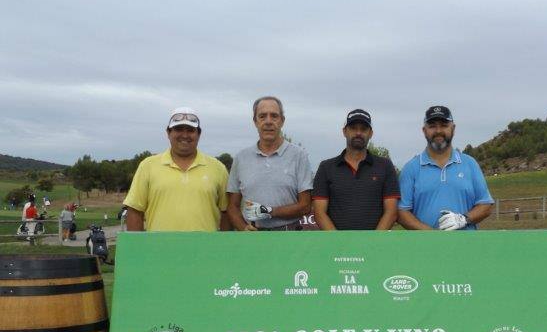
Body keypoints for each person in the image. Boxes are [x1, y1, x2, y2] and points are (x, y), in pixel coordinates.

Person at [123, 107, 229, 231]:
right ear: (168, 133)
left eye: (190, 130)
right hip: (160, 248)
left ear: (199, 134)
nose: (184, 135)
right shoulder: (147, 166)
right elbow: (135, 210)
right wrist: (138, 247)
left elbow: (226, 212)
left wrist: (223, 247)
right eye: (178, 129)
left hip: (206, 249)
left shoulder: (218, 168)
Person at [398, 105, 494, 230]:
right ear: (424, 130)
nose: (438, 131)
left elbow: (486, 205)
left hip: (467, 246)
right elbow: (401, 212)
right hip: (424, 247)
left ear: (453, 129)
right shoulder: (411, 168)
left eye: (444, 125)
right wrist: (431, 235)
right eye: (432, 126)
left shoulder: (470, 164)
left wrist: (463, 219)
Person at [226, 96, 314, 232]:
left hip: (289, 235)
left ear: (282, 121)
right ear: (255, 121)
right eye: (262, 116)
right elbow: (232, 206)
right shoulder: (241, 158)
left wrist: (268, 211)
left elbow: (306, 205)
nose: (268, 121)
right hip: (252, 237)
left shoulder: (299, 156)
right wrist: (243, 228)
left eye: (274, 116)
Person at [312, 109, 399, 230]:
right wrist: (339, 243)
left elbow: (391, 212)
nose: (358, 133)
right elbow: (319, 213)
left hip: (376, 245)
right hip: (336, 245)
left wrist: (373, 242)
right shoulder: (326, 167)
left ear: (371, 133)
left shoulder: (385, 166)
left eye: (363, 129)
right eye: (353, 128)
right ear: (344, 131)